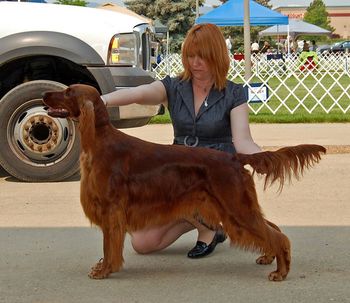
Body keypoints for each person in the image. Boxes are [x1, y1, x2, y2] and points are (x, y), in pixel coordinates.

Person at [101, 23, 262, 259]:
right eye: (190, 56)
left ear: (217, 56)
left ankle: (207, 228)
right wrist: (101, 100)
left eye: (202, 57)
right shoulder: (173, 87)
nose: (195, 63)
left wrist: (263, 158)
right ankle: (208, 223)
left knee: (190, 189)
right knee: (143, 243)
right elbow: (137, 94)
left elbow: (243, 141)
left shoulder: (234, 93)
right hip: (180, 175)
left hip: (215, 177)